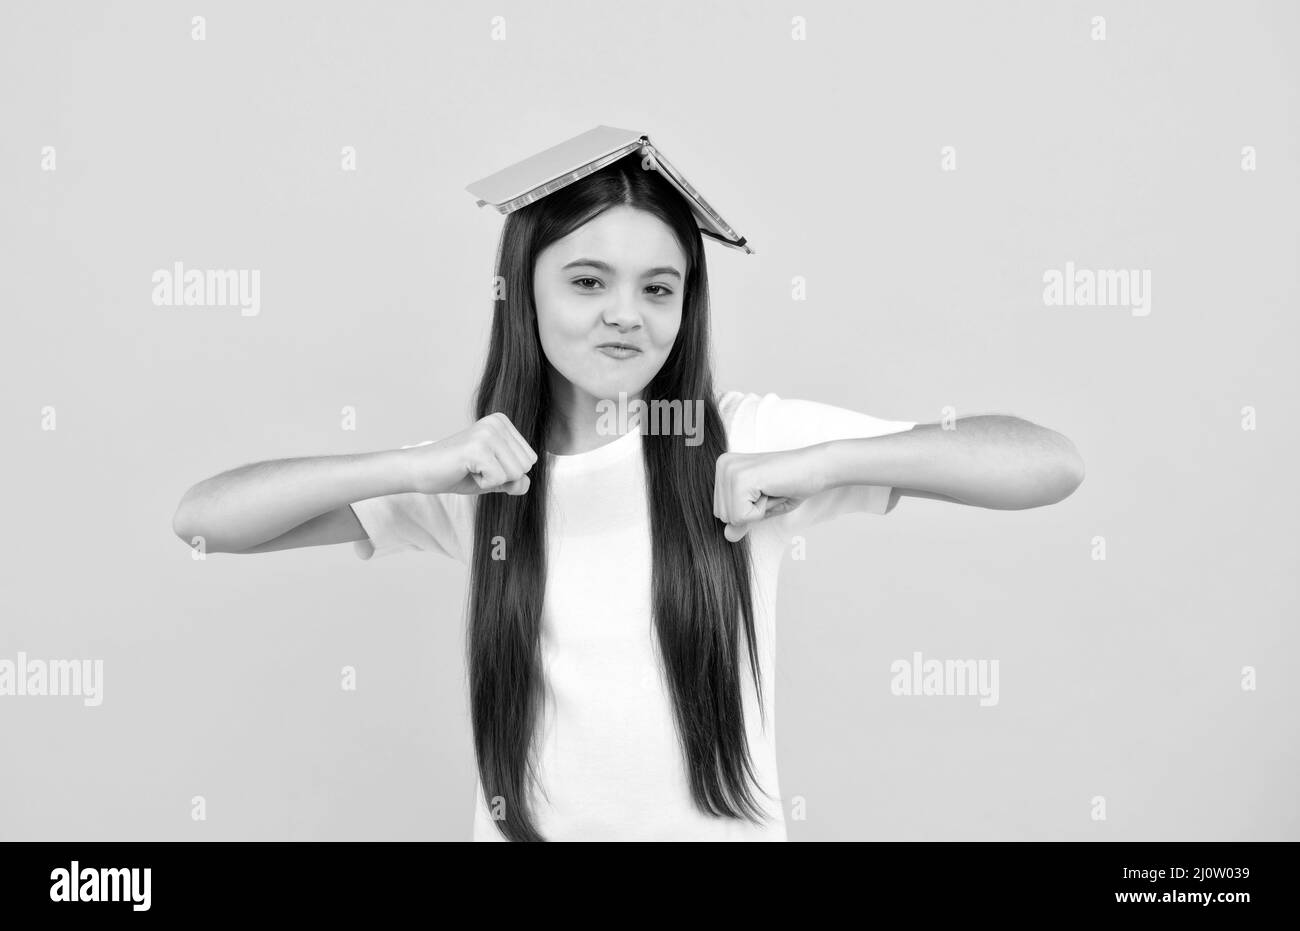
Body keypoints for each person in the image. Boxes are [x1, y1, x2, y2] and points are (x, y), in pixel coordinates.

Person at [172, 152, 1084, 842]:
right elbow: (206, 522)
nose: (625, 314)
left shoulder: (743, 441)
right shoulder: (480, 474)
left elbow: (1046, 463)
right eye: (586, 282)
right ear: (522, 292)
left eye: (659, 288)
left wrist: (819, 463)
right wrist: (410, 469)